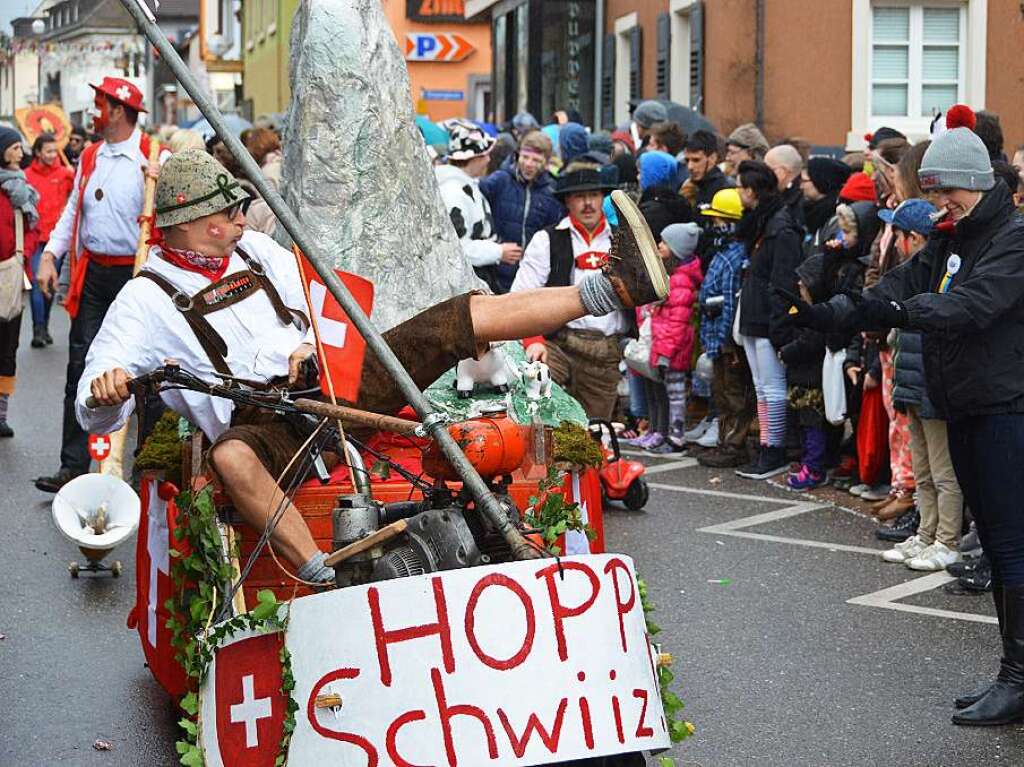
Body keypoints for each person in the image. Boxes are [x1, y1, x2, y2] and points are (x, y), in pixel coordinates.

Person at [78, 149, 668, 582]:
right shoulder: (144, 298)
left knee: (457, 319)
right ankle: (320, 572)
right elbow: (96, 412)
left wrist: (310, 346)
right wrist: (103, 394)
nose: (242, 219)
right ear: (196, 220)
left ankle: (615, 286)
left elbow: (322, 307)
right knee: (230, 456)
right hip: (270, 428)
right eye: (230, 211)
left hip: (333, 381)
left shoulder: (254, 251)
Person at [784, 127, 1024, 727]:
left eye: (948, 192)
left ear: (975, 183)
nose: (940, 203)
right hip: (963, 405)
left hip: (1005, 409)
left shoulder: (1013, 239)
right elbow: (898, 285)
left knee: (1013, 549)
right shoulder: (955, 236)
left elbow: (972, 307)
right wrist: (831, 313)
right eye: (934, 190)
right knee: (997, 546)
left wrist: (894, 311)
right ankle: (1014, 673)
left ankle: (1019, 678)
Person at [33, 77, 165, 492]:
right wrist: (52, 255)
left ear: (119, 111)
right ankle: (72, 465)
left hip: (138, 277)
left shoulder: (153, 155)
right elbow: (75, 210)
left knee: (146, 375)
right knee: (80, 369)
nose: (93, 112)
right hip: (95, 276)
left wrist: (162, 184)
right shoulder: (90, 155)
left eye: (98, 105)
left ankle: (146, 470)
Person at [512, 164, 651, 420]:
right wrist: (533, 341)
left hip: (605, 350)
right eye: (579, 196)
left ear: (603, 198)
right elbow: (521, 296)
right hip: (557, 343)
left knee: (594, 431)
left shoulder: (621, 242)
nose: (588, 203)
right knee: (538, 415)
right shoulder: (547, 240)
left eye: (594, 195)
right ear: (567, 201)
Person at [878, 199, 963, 571]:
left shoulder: (939, 274)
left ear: (914, 237)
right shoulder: (910, 275)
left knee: (944, 473)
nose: (893, 243)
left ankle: (947, 539)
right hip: (911, 385)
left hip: (933, 388)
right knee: (923, 470)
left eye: (897, 234)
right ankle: (926, 533)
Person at [734, 160, 803, 480]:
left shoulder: (780, 228)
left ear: (752, 191)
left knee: (773, 387)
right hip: (753, 314)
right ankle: (766, 443)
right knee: (762, 387)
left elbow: (782, 281)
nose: (737, 192)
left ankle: (774, 449)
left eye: (740, 186)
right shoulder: (763, 224)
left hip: (766, 319)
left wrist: (780, 327)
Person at [694, 189, 753, 468]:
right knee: (721, 394)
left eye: (719, 221)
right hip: (715, 337)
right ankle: (724, 441)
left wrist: (727, 342)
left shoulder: (734, 257)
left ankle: (734, 444)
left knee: (733, 395)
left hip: (725, 338)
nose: (714, 227)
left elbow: (730, 302)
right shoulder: (722, 253)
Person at [435, 119, 518, 294]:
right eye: (485, 154)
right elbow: (455, 248)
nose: (489, 159)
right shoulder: (453, 193)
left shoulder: (466, 186)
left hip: (474, 278)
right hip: (466, 283)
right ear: (474, 158)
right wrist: (498, 251)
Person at [643, 222, 703, 452]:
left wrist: (665, 353)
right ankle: (669, 434)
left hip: (673, 349)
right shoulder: (673, 276)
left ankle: (676, 437)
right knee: (671, 392)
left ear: (676, 250)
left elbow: (677, 322)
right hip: (666, 346)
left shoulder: (680, 281)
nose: (659, 245)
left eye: (665, 243)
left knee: (676, 394)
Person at [480, 130, 563, 292]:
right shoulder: (500, 180)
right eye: (525, 157)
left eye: (536, 160)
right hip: (496, 270)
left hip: (533, 274)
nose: (529, 164)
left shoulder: (552, 192)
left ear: (546, 163)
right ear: (517, 156)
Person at [0, 128, 40, 438]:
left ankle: (1, 413)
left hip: (11, 273)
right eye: (14, 147)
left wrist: (22, 256)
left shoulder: (22, 189)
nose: (20, 152)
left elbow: (31, 231)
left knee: (8, 348)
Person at [24, 132, 75, 348]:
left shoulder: (65, 174)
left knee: (50, 285)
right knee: (38, 282)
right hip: (35, 239)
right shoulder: (25, 175)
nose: (53, 155)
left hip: (56, 240)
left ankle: (44, 325)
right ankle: (38, 327)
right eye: (48, 151)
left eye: (55, 150)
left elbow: (76, 201)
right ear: (37, 152)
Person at [637, 151, 693, 238]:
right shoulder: (674, 202)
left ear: (652, 174)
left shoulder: (652, 212)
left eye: (641, 173)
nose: (638, 177)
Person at [682, 130, 733, 211]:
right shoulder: (689, 188)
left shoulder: (725, 190)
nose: (690, 167)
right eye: (687, 160)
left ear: (712, 158)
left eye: (696, 160)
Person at [765, 144, 804, 227]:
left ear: (782, 172)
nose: (763, 174)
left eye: (767, 169)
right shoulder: (785, 196)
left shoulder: (799, 203)